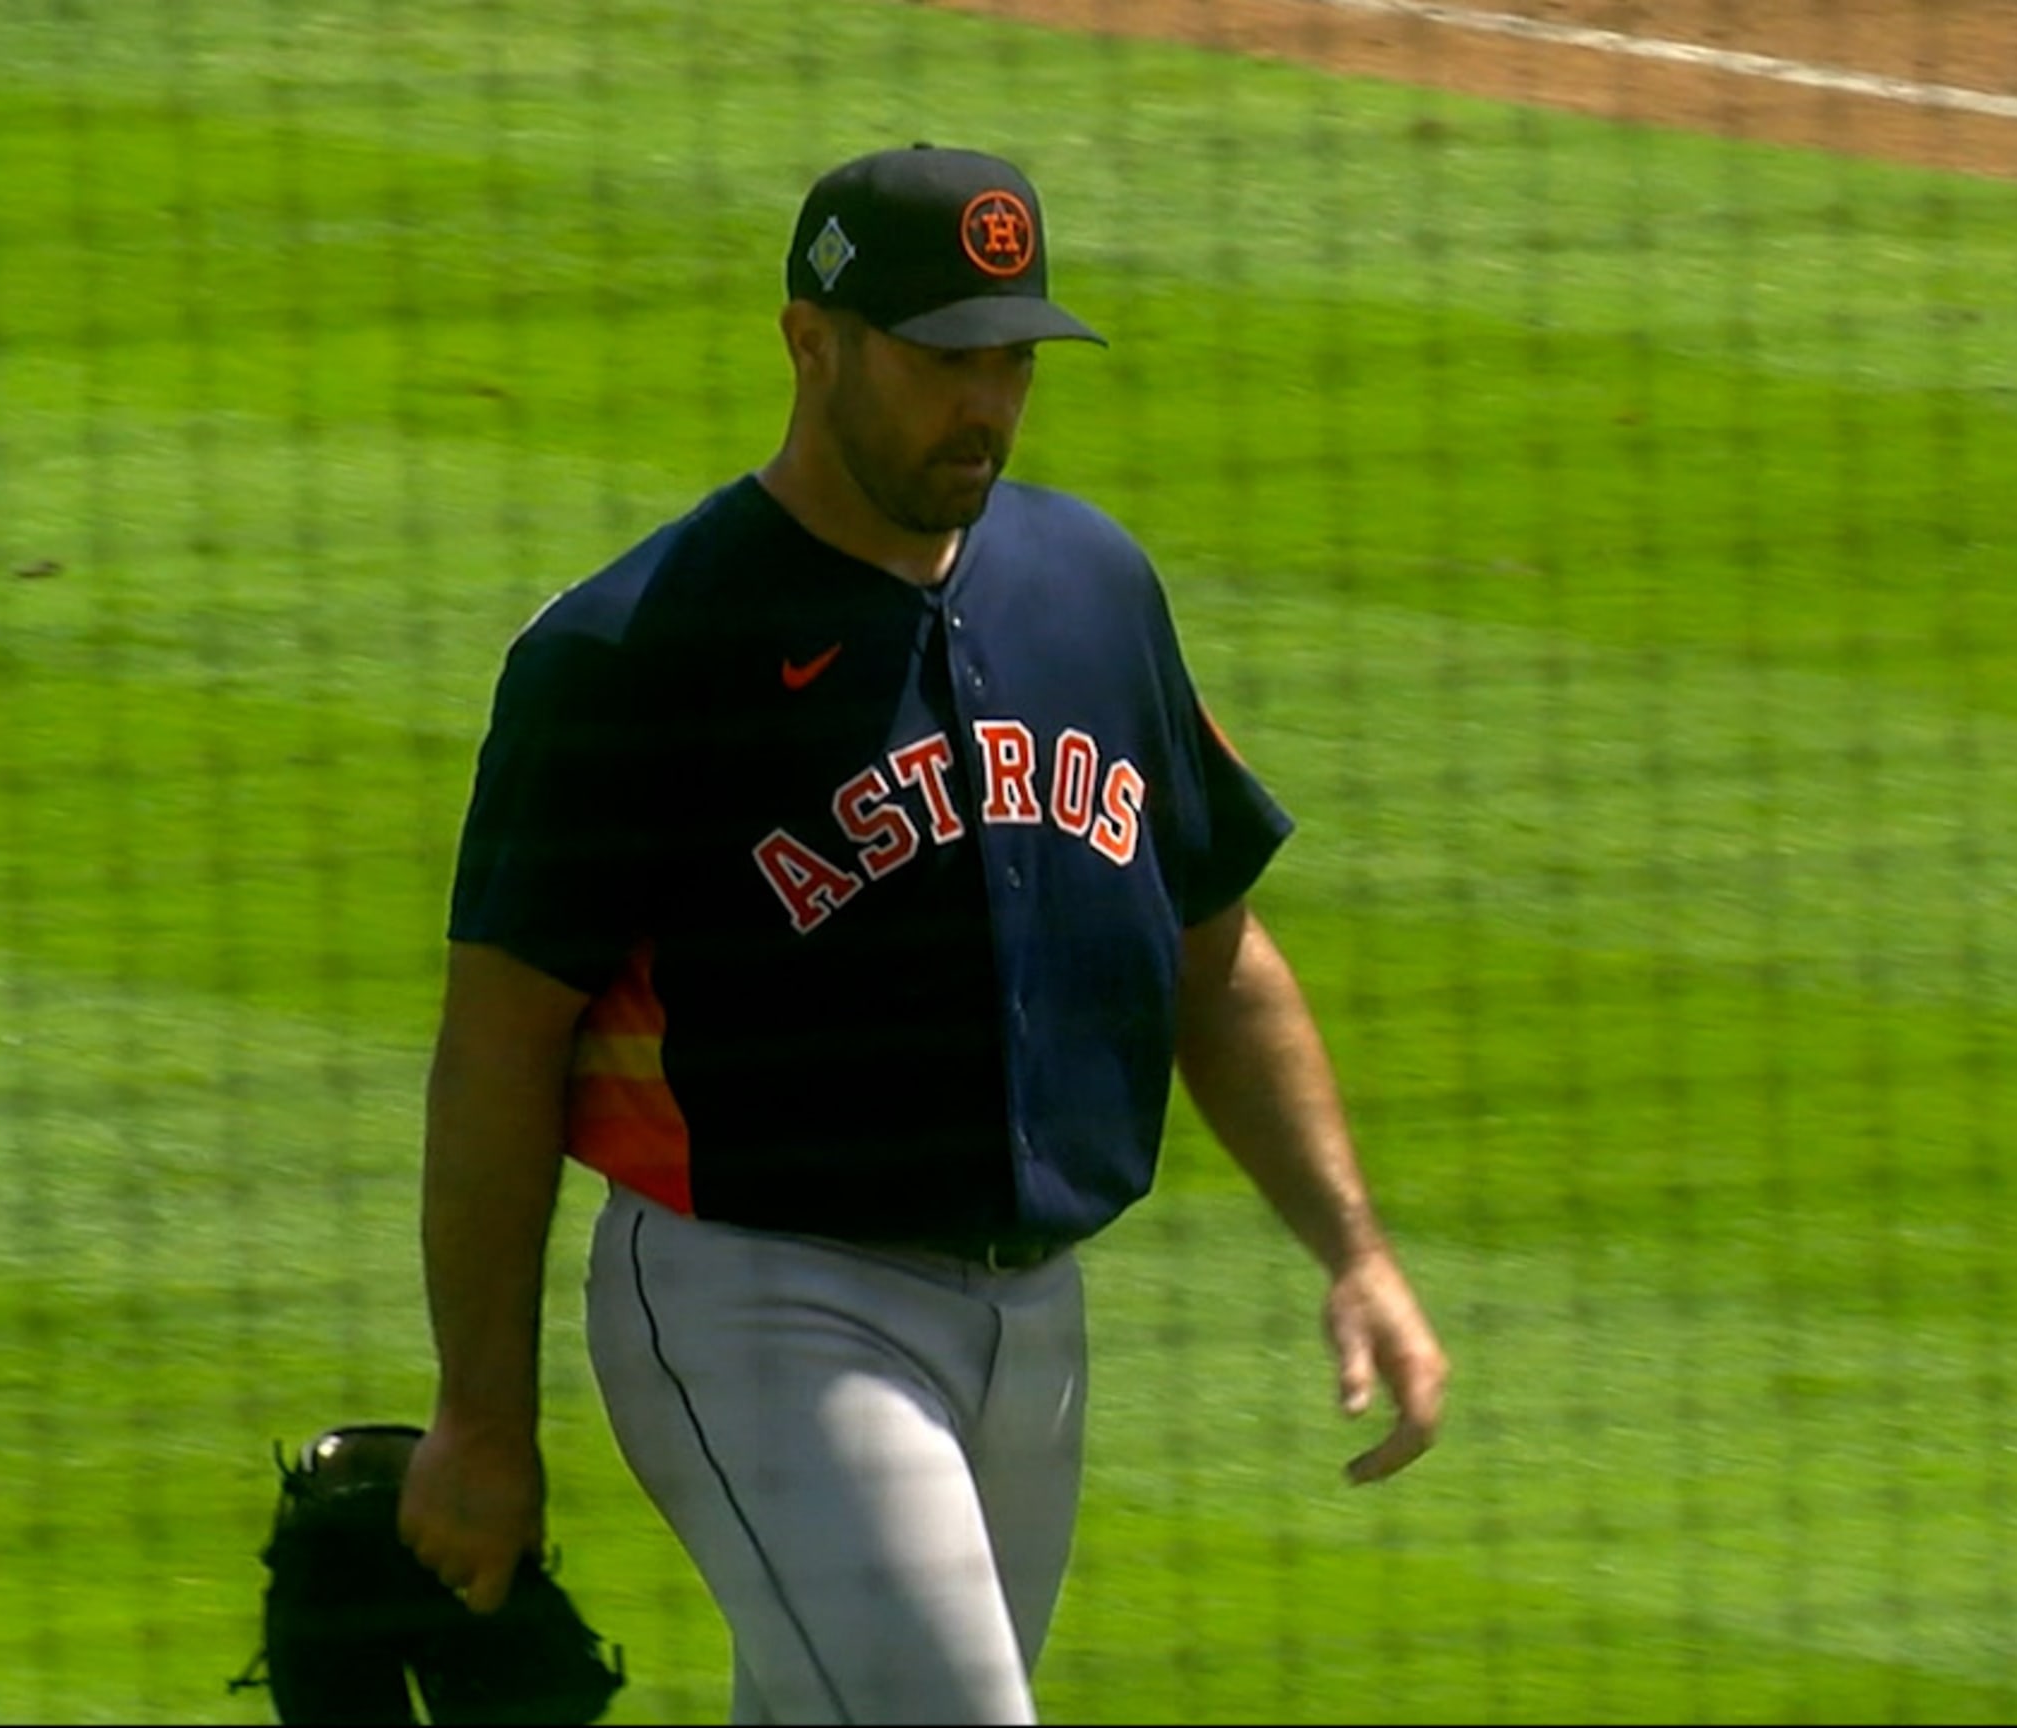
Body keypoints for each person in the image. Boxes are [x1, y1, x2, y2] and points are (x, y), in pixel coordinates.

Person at [397, 141, 1450, 1726]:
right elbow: (497, 1046)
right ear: (810, 341)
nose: (988, 405)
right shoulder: (637, 650)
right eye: (944, 357)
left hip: (1037, 1331)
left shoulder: (1092, 589)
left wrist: (1353, 1250)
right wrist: (482, 1416)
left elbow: (1214, 959)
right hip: (760, 1305)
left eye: (1015, 358)